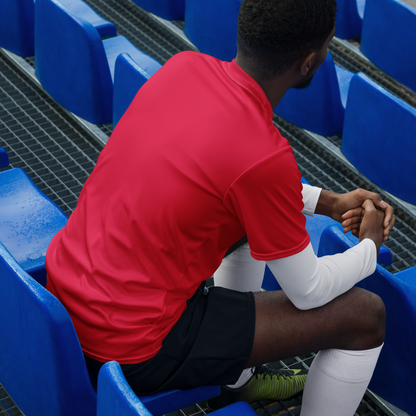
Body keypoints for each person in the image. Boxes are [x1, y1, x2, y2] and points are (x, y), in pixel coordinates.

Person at [45, 0, 395, 415]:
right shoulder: (264, 156)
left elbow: (229, 182)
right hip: (132, 346)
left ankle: (237, 385)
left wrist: (328, 202)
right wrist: (369, 248)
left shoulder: (183, 68)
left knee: (245, 224)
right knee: (364, 316)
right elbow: (309, 290)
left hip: (67, 302)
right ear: (309, 62)